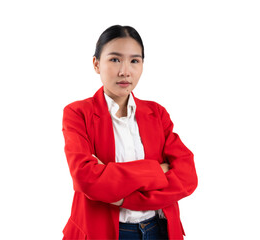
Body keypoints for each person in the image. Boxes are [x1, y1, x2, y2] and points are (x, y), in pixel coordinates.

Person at [62, 25, 197, 240]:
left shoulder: (157, 113)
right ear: (96, 64)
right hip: (105, 232)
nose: (125, 71)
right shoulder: (78, 113)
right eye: (115, 59)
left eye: (134, 61)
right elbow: (86, 179)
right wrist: (157, 170)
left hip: (158, 230)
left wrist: (122, 195)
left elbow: (187, 176)